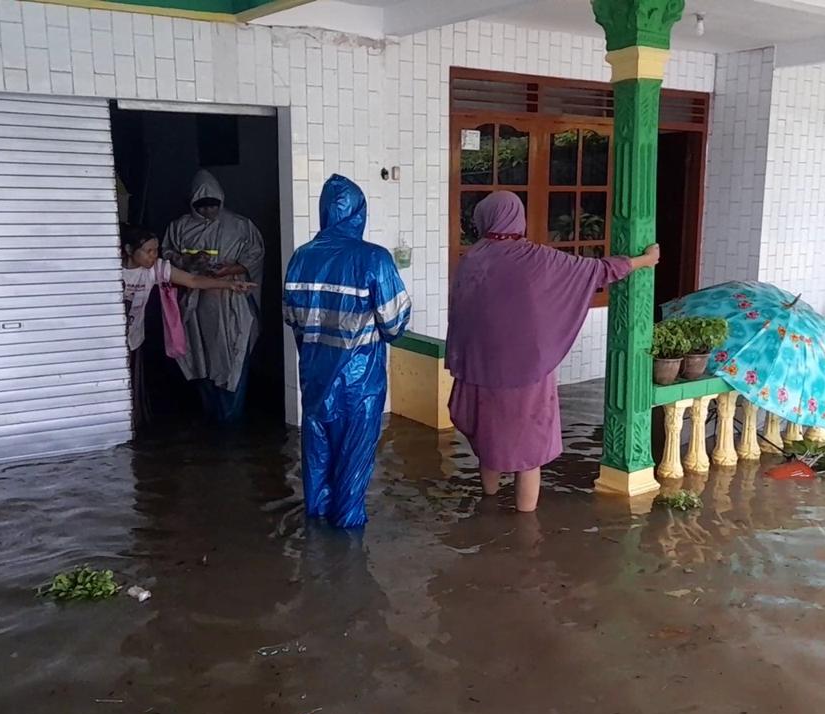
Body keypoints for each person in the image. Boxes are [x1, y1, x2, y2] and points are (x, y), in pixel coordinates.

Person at [446, 191, 660, 513]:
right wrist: (644, 261)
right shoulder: (537, 258)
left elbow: (460, 317)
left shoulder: (471, 260)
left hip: (479, 370)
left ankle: (487, 505)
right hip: (528, 373)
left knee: (490, 440)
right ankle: (524, 525)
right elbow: (595, 271)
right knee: (528, 453)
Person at [283, 175, 412, 528]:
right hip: (360, 390)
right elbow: (396, 325)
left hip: (314, 383)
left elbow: (292, 318)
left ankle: (315, 553)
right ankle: (347, 564)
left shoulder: (300, 258)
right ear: (359, 213)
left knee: (316, 466)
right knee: (352, 477)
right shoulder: (374, 259)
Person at [121, 225, 254, 428]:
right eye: (148, 251)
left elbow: (192, 280)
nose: (153, 256)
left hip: (133, 339)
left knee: (129, 389)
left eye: (155, 250)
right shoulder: (112, 269)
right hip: (110, 339)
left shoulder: (156, 268)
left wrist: (230, 285)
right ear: (129, 250)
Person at [163, 169, 266, 424]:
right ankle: (211, 414)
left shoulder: (240, 225)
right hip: (195, 305)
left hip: (231, 302)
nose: (208, 211)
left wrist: (230, 269)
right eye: (202, 206)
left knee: (233, 356)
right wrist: (189, 260)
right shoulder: (179, 227)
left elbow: (256, 254)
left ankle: (232, 417)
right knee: (201, 359)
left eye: (213, 205)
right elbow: (165, 256)